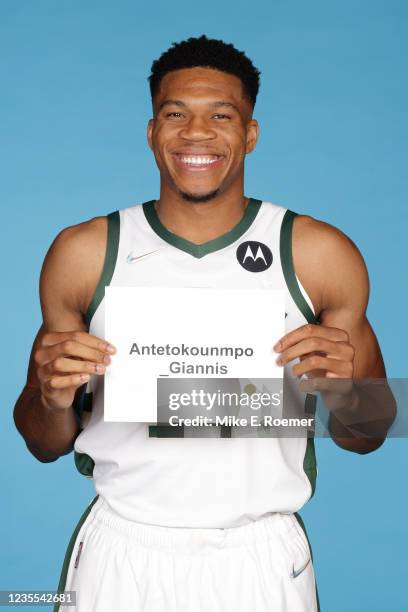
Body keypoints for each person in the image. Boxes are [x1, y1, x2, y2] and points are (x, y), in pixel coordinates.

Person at [14, 35, 393, 612]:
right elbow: (43, 442)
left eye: (221, 115)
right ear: (151, 132)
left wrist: (348, 392)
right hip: (123, 547)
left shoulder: (317, 253)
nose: (197, 133)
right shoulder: (86, 252)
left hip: (260, 553)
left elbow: (369, 433)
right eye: (176, 114)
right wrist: (49, 397)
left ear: (250, 133)